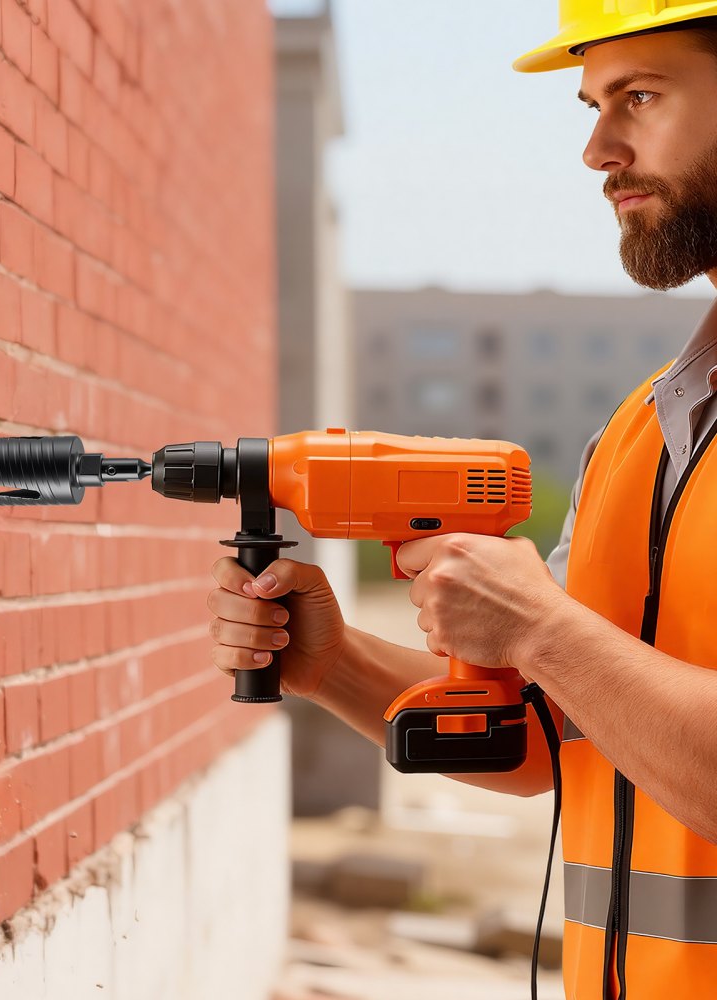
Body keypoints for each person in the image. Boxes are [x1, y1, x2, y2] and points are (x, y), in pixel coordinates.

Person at [208, 4, 717, 998]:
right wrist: (333, 661)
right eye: (592, 106)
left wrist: (538, 626)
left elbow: (556, 656)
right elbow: (547, 735)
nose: (595, 149)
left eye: (639, 97)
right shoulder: (641, 432)